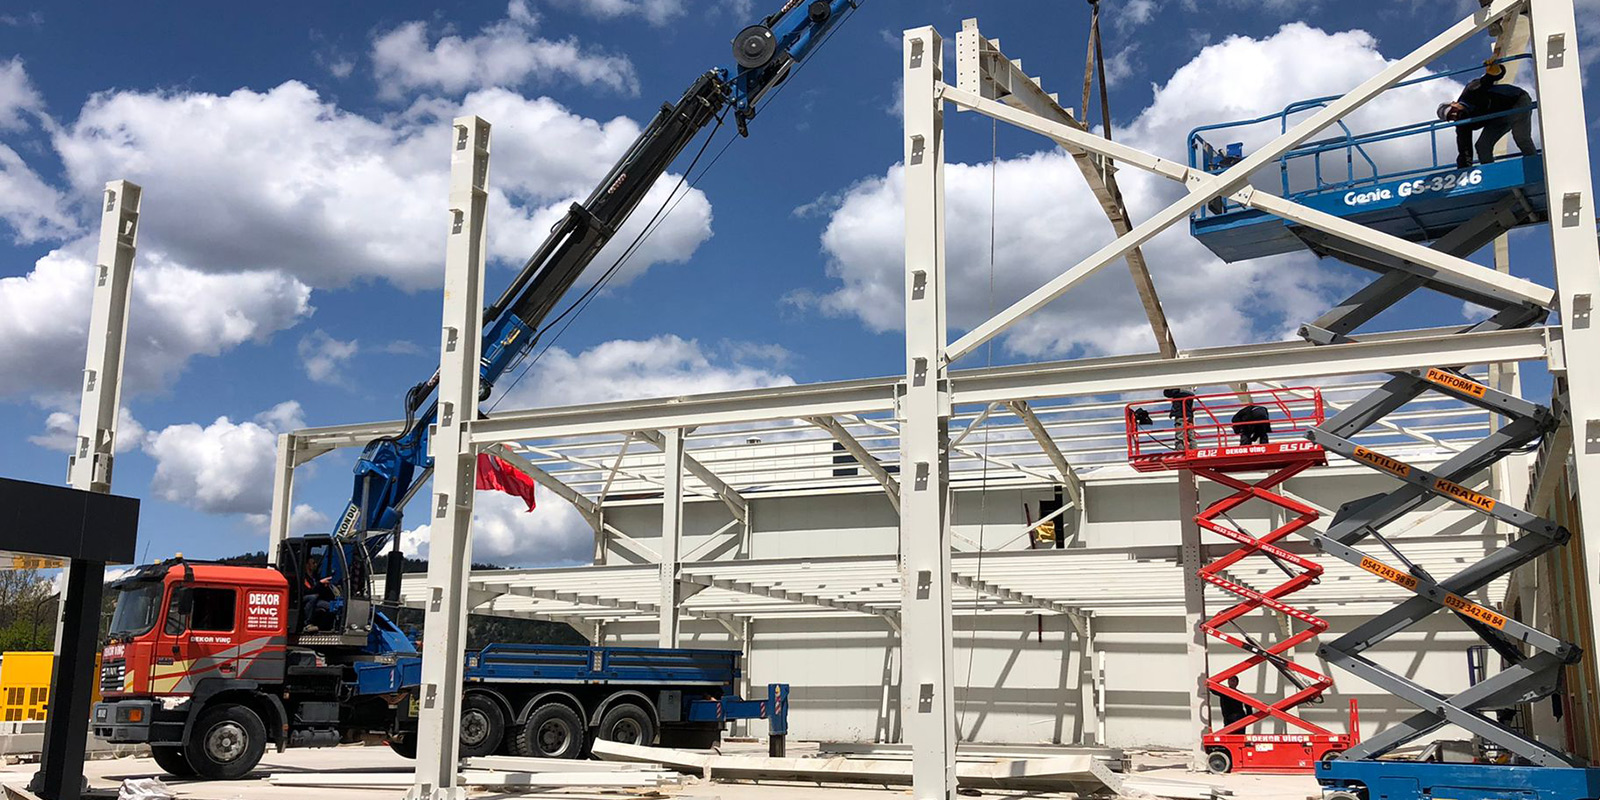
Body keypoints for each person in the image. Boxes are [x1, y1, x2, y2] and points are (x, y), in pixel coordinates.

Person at [1437, 67, 1536, 169]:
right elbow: (1464, 151)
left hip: (1517, 101)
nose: (1454, 115)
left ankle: (1535, 166)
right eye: (1450, 117)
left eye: (1452, 110)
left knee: (1521, 137)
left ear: (1454, 103)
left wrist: (1496, 70)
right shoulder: (1462, 124)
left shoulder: (1471, 91)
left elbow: (1490, 78)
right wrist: (1464, 172)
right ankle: (1492, 174)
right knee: (1482, 146)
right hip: (1498, 116)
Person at [300, 554, 337, 633]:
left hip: (317, 600)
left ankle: (328, 626)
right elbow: (309, 591)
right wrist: (320, 583)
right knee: (313, 597)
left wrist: (325, 586)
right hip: (305, 599)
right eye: (313, 563)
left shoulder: (315, 577)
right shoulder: (303, 578)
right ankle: (307, 624)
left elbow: (318, 590)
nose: (315, 565)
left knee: (332, 606)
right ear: (307, 565)